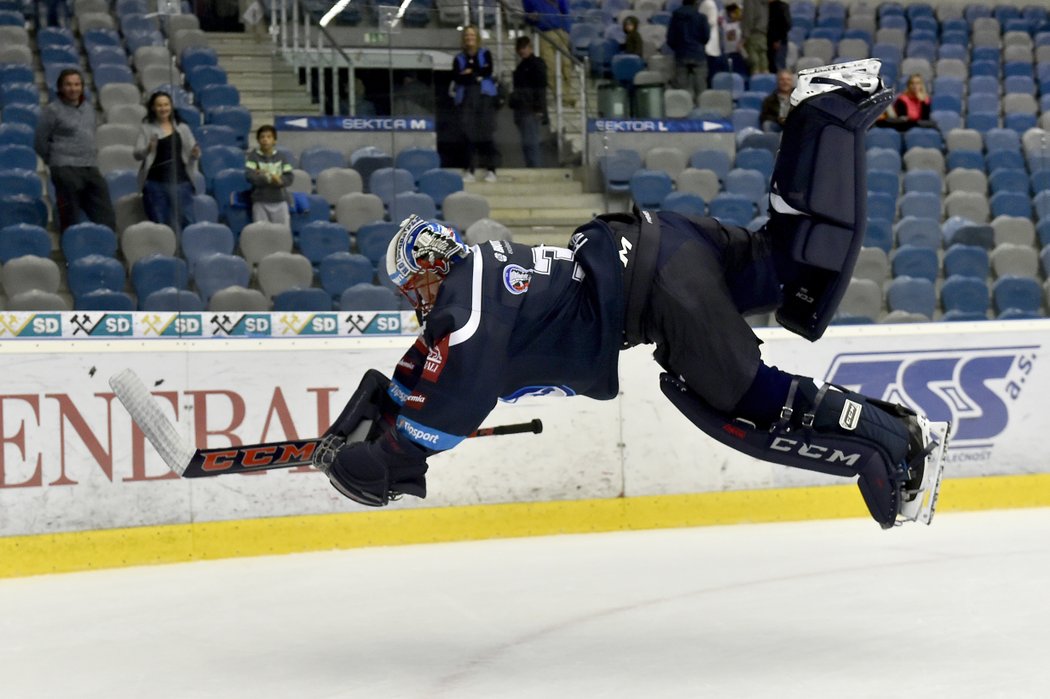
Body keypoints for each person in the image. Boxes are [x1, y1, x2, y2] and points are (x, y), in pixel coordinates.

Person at [311, 60, 949, 531]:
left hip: (659, 287)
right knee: (789, 265)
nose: (416, 297)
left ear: (430, 264)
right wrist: (385, 408)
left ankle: (897, 443)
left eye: (413, 283)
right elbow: (441, 375)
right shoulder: (484, 283)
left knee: (743, 402)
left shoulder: (468, 283)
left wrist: (393, 452)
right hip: (666, 246)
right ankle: (825, 113)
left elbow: (459, 382)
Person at [33, 68, 117, 233]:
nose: (73, 88)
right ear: (61, 87)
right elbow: (39, 141)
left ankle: (104, 251)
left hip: (90, 166)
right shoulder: (52, 110)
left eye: (77, 84)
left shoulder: (89, 108)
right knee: (70, 217)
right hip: (65, 168)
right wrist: (55, 161)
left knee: (106, 216)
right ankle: (70, 255)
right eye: (69, 85)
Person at [133, 91, 200, 234]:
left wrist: (195, 154)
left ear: (171, 106)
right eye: (159, 105)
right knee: (160, 225)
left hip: (181, 182)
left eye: (166, 105)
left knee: (188, 221)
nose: (163, 108)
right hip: (155, 184)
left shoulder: (183, 128)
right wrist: (148, 148)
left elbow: (193, 153)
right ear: (153, 108)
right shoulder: (146, 128)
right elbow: (137, 154)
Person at [452, 25, 501, 183]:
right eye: (467, 35)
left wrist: (470, 73)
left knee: (486, 133)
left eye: (472, 35)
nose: (469, 38)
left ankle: (491, 170)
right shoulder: (458, 58)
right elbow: (458, 78)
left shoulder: (485, 53)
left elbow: (487, 71)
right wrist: (476, 74)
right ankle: (469, 170)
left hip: (484, 98)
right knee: (468, 134)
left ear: (477, 37)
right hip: (466, 99)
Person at [522, 0, 573, 104]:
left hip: (561, 31)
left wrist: (566, 30)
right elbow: (528, 13)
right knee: (550, 66)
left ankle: (567, 93)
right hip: (544, 33)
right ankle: (561, 96)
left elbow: (565, 10)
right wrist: (533, 19)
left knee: (566, 64)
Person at [510, 36, 548, 169]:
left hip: (531, 109)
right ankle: (532, 169)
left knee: (531, 143)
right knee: (528, 144)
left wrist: (539, 109)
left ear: (530, 48)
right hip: (522, 109)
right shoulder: (521, 67)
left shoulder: (536, 64)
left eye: (524, 47)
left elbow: (540, 87)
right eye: (520, 48)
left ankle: (535, 170)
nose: (522, 51)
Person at [245, 125, 293, 224]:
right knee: (261, 234)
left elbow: (289, 176)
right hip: (260, 202)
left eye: (269, 137)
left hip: (280, 201)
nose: (265, 139)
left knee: (282, 234)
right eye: (262, 137)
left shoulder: (282, 157)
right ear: (258, 140)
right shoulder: (253, 157)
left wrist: (278, 180)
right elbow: (249, 176)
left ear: (274, 140)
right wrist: (271, 178)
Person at [666, 0, 711, 102]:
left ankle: (681, 112)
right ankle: (701, 112)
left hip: (681, 54)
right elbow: (706, 37)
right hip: (698, 54)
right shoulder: (701, 17)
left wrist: (677, 48)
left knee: (681, 90)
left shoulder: (676, 17)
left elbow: (670, 39)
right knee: (701, 89)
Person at [698, 0, 723, 85]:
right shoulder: (707, 4)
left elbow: (711, 22)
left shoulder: (708, 4)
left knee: (709, 75)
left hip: (709, 45)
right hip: (708, 45)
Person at [742, 0, 769, 75]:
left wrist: (744, 36)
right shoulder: (764, 3)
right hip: (763, 34)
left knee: (755, 63)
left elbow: (749, 18)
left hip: (753, 34)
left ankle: (756, 82)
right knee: (764, 62)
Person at [722, 4, 749, 79]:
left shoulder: (742, 24)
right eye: (731, 13)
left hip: (739, 52)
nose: (733, 15)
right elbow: (721, 15)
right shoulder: (726, 25)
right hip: (729, 53)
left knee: (742, 74)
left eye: (735, 12)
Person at [767, 0, 792, 73]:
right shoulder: (765, 7)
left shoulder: (782, 7)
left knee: (779, 67)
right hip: (768, 44)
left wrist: (778, 40)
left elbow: (786, 25)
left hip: (779, 43)